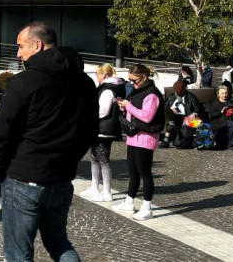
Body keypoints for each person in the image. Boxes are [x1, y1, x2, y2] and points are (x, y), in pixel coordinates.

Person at [0, 22, 97, 262]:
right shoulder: (86, 83)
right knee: (59, 242)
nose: (18, 53)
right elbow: (90, 132)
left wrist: (0, 174)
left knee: (18, 253)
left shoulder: (24, 82)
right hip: (61, 179)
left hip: (24, 179)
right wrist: (66, 161)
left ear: (37, 45)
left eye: (20, 46)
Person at [112, 64, 162, 220]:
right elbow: (133, 111)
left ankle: (147, 207)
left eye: (134, 80)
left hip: (146, 137)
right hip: (133, 135)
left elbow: (147, 116)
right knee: (133, 172)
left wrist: (129, 106)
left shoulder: (152, 94)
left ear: (144, 77)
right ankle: (129, 201)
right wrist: (123, 107)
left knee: (145, 173)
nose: (132, 83)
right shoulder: (136, 91)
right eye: (129, 80)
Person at [82, 63, 125, 202]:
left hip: (104, 129)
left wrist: (88, 115)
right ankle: (95, 187)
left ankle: (106, 192)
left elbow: (103, 110)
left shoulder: (108, 89)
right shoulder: (111, 87)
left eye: (98, 74)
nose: (97, 76)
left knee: (103, 159)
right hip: (102, 128)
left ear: (104, 75)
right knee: (94, 157)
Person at [161, 79, 202, 148]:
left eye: (179, 92)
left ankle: (166, 139)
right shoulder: (172, 96)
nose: (177, 94)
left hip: (185, 117)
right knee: (168, 113)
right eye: (176, 92)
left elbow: (197, 107)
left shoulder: (191, 97)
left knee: (179, 143)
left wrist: (194, 113)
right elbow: (165, 106)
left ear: (183, 90)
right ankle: (167, 136)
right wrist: (171, 109)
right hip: (173, 117)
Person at [207, 85, 233, 149]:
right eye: (222, 93)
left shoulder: (230, 102)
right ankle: (229, 144)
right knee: (232, 125)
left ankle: (232, 144)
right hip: (218, 120)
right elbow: (211, 115)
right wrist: (221, 112)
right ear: (218, 94)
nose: (224, 95)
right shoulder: (215, 103)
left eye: (225, 93)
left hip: (229, 119)